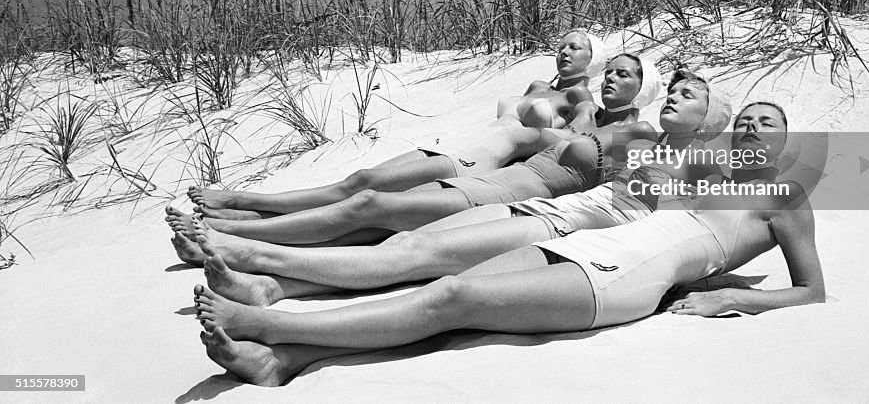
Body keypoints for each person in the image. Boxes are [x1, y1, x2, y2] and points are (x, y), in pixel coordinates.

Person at [193, 102, 824, 387]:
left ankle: (272, 325)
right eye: (745, 118)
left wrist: (730, 302)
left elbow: (812, 292)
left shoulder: (785, 200)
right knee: (440, 283)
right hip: (595, 246)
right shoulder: (697, 176)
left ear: (783, 143)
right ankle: (286, 356)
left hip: (625, 279)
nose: (750, 126)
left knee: (454, 296)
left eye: (766, 122)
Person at [189, 70, 732, 303]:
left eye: (690, 93)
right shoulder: (637, 140)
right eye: (675, 90)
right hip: (532, 200)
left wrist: (705, 287)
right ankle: (270, 268)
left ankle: (257, 248)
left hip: (564, 223)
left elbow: (727, 227)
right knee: (393, 236)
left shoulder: (687, 151)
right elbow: (532, 127)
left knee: (396, 235)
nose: (676, 97)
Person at [171, 54, 661, 257]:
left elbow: (624, 191)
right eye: (611, 72)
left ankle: (236, 231)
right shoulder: (586, 117)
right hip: (494, 175)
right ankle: (246, 218)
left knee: (370, 206)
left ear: (644, 90)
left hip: (508, 193)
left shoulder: (634, 130)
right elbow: (528, 134)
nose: (613, 79)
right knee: (371, 211)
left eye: (626, 75)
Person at [184, 30, 606, 219]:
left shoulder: (578, 97)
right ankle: (255, 215)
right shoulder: (535, 84)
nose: (564, 52)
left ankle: (245, 202)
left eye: (577, 48)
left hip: (480, 162)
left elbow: (584, 132)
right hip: (461, 144)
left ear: (594, 59)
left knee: (364, 190)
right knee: (361, 182)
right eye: (562, 45)